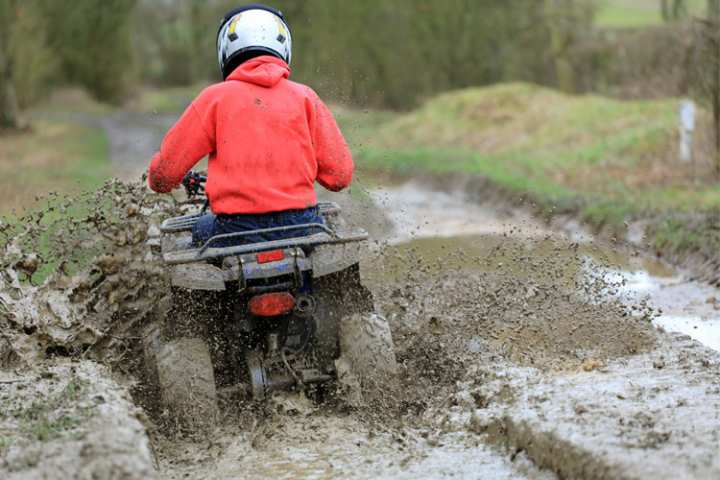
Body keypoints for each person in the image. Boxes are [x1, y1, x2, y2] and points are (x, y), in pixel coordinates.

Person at [147, 4, 353, 247]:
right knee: (328, 241)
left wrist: (163, 179)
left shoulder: (214, 98)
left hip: (234, 229)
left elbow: (163, 177)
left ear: (226, 48)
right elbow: (339, 176)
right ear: (283, 46)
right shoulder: (306, 97)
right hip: (302, 225)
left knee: (193, 234)